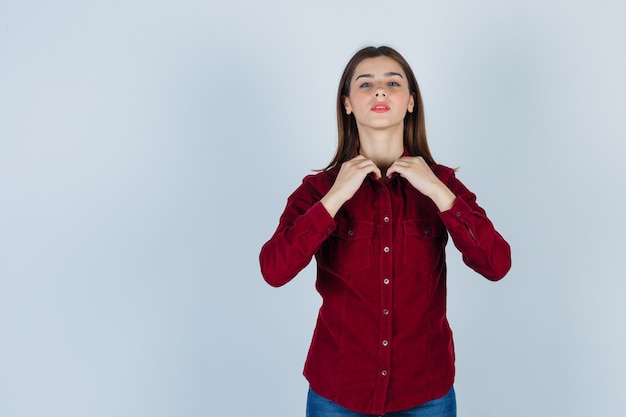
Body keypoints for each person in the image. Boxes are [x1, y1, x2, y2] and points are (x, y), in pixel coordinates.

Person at [259, 45, 511, 417]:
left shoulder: (443, 185)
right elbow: (274, 270)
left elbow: (496, 264)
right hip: (337, 395)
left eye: (393, 82)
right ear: (347, 104)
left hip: (426, 395)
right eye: (366, 83)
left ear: (411, 101)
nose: (379, 90)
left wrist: (439, 192)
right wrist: (336, 196)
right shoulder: (317, 191)